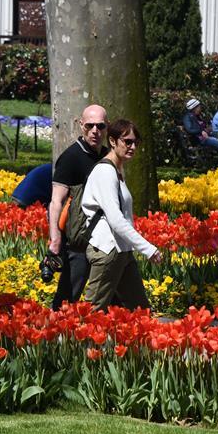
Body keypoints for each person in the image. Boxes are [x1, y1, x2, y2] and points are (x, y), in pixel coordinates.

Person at [80, 119, 163, 310]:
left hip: (122, 252)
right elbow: (115, 219)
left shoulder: (118, 170)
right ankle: (71, 340)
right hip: (108, 250)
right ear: (112, 141)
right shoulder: (105, 172)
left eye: (135, 142)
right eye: (127, 141)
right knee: (91, 313)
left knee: (140, 311)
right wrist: (148, 249)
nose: (132, 146)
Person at [48, 104, 109, 311]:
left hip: (105, 239)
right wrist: (55, 239)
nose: (95, 131)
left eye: (100, 126)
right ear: (80, 125)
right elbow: (56, 201)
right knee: (68, 294)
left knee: (111, 294)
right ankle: (56, 334)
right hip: (79, 239)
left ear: (106, 127)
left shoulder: (109, 156)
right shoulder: (71, 157)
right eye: (90, 126)